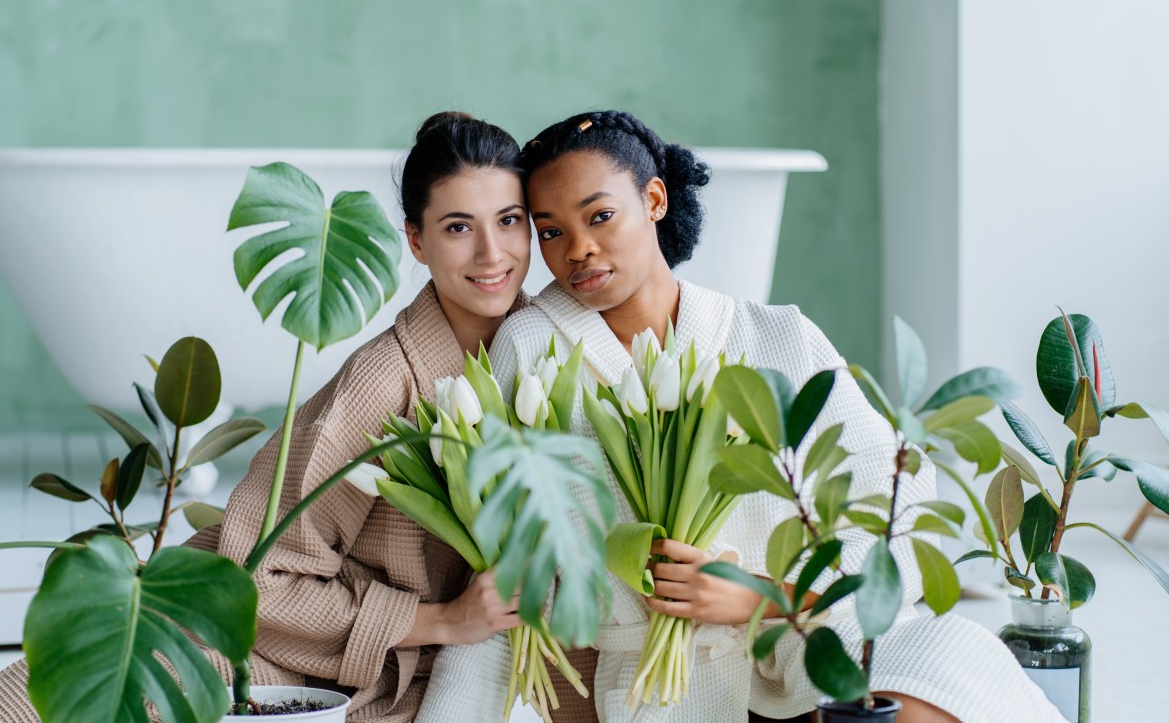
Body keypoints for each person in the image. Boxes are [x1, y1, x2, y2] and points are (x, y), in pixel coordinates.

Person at [416, 110, 1068, 723]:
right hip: (656, 673)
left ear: (653, 201)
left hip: (801, 623)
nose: (578, 249)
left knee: (936, 681)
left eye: (601, 216)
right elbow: (515, 532)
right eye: (552, 231)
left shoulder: (776, 335)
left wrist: (762, 595)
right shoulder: (532, 347)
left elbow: (893, 492)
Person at [0, 112, 542, 723]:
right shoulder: (383, 384)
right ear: (416, 241)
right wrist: (444, 621)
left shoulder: (545, 350)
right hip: (257, 643)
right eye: (459, 226)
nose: (491, 252)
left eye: (509, 220)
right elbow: (258, 578)